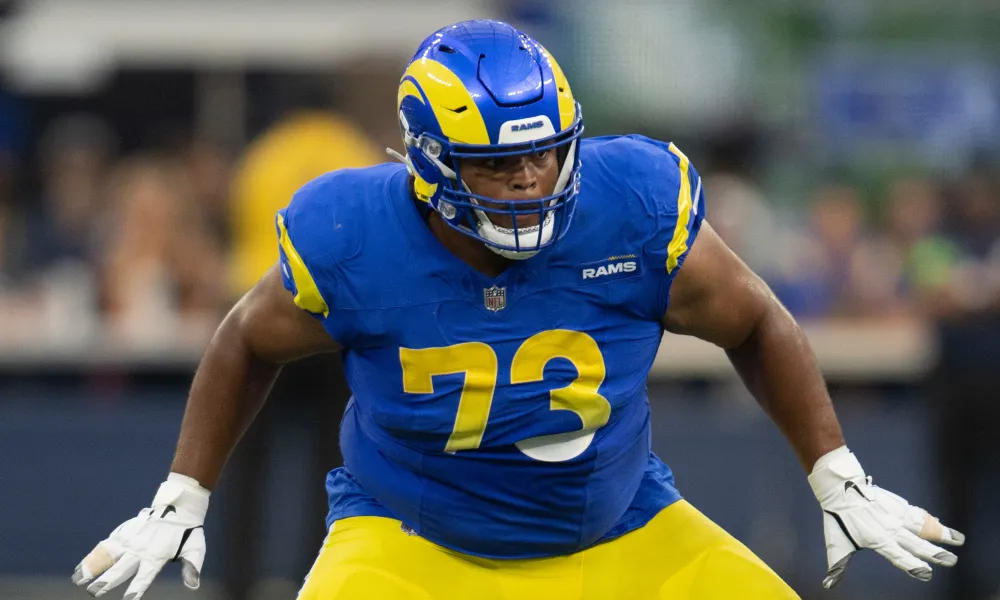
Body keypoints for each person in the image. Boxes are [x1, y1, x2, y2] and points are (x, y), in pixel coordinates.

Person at [72, 20, 964, 600]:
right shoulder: (355, 235)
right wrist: (183, 493)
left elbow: (757, 321)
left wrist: (835, 472)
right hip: (415, 543)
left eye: (544, 154)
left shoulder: (631, 203)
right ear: (429, 160)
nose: (530, 179)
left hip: (618, 531)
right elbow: (245, 340)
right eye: (497, 163)